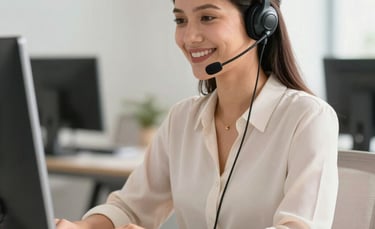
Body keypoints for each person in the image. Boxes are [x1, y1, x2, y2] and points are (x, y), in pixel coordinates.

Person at [56, 0, 339, 228]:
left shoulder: (307, 119)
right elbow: (131, 207)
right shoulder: (182, 119)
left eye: (207, 17)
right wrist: (84, 226)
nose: (189, 36)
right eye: (180, 20)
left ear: (260, 23)